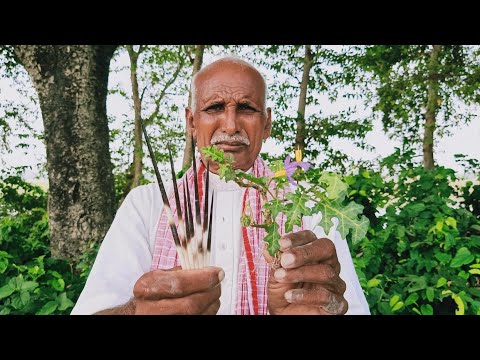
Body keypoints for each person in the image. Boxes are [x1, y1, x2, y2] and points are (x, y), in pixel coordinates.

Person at [71, 56, 370, 315]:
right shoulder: (147, 205)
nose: (230, 125)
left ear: (266, 125)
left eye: (246, 108)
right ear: (191, 121)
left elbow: (347, 306)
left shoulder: (305, 207)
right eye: (214, 107)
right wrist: (136, 311)